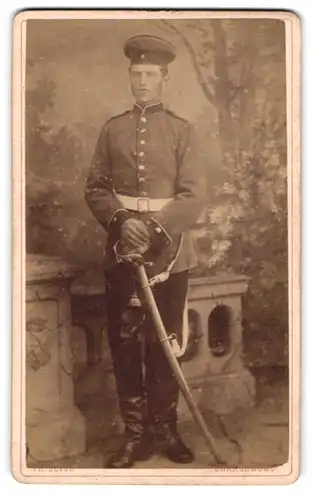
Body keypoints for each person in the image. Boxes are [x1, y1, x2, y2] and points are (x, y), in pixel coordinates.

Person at [85, 34, 206, 468]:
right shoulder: (111, 129)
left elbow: (192, 195)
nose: (141, 82)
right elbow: (96, 189)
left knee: (165, 344)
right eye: (136, 74)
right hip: (121, 250)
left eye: (150, 75)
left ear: (164, 79)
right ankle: (134, 436)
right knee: (124, 343)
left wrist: (153, 228)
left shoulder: (181, 131)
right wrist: (123, 223)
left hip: (170, 253)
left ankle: (164, 430)